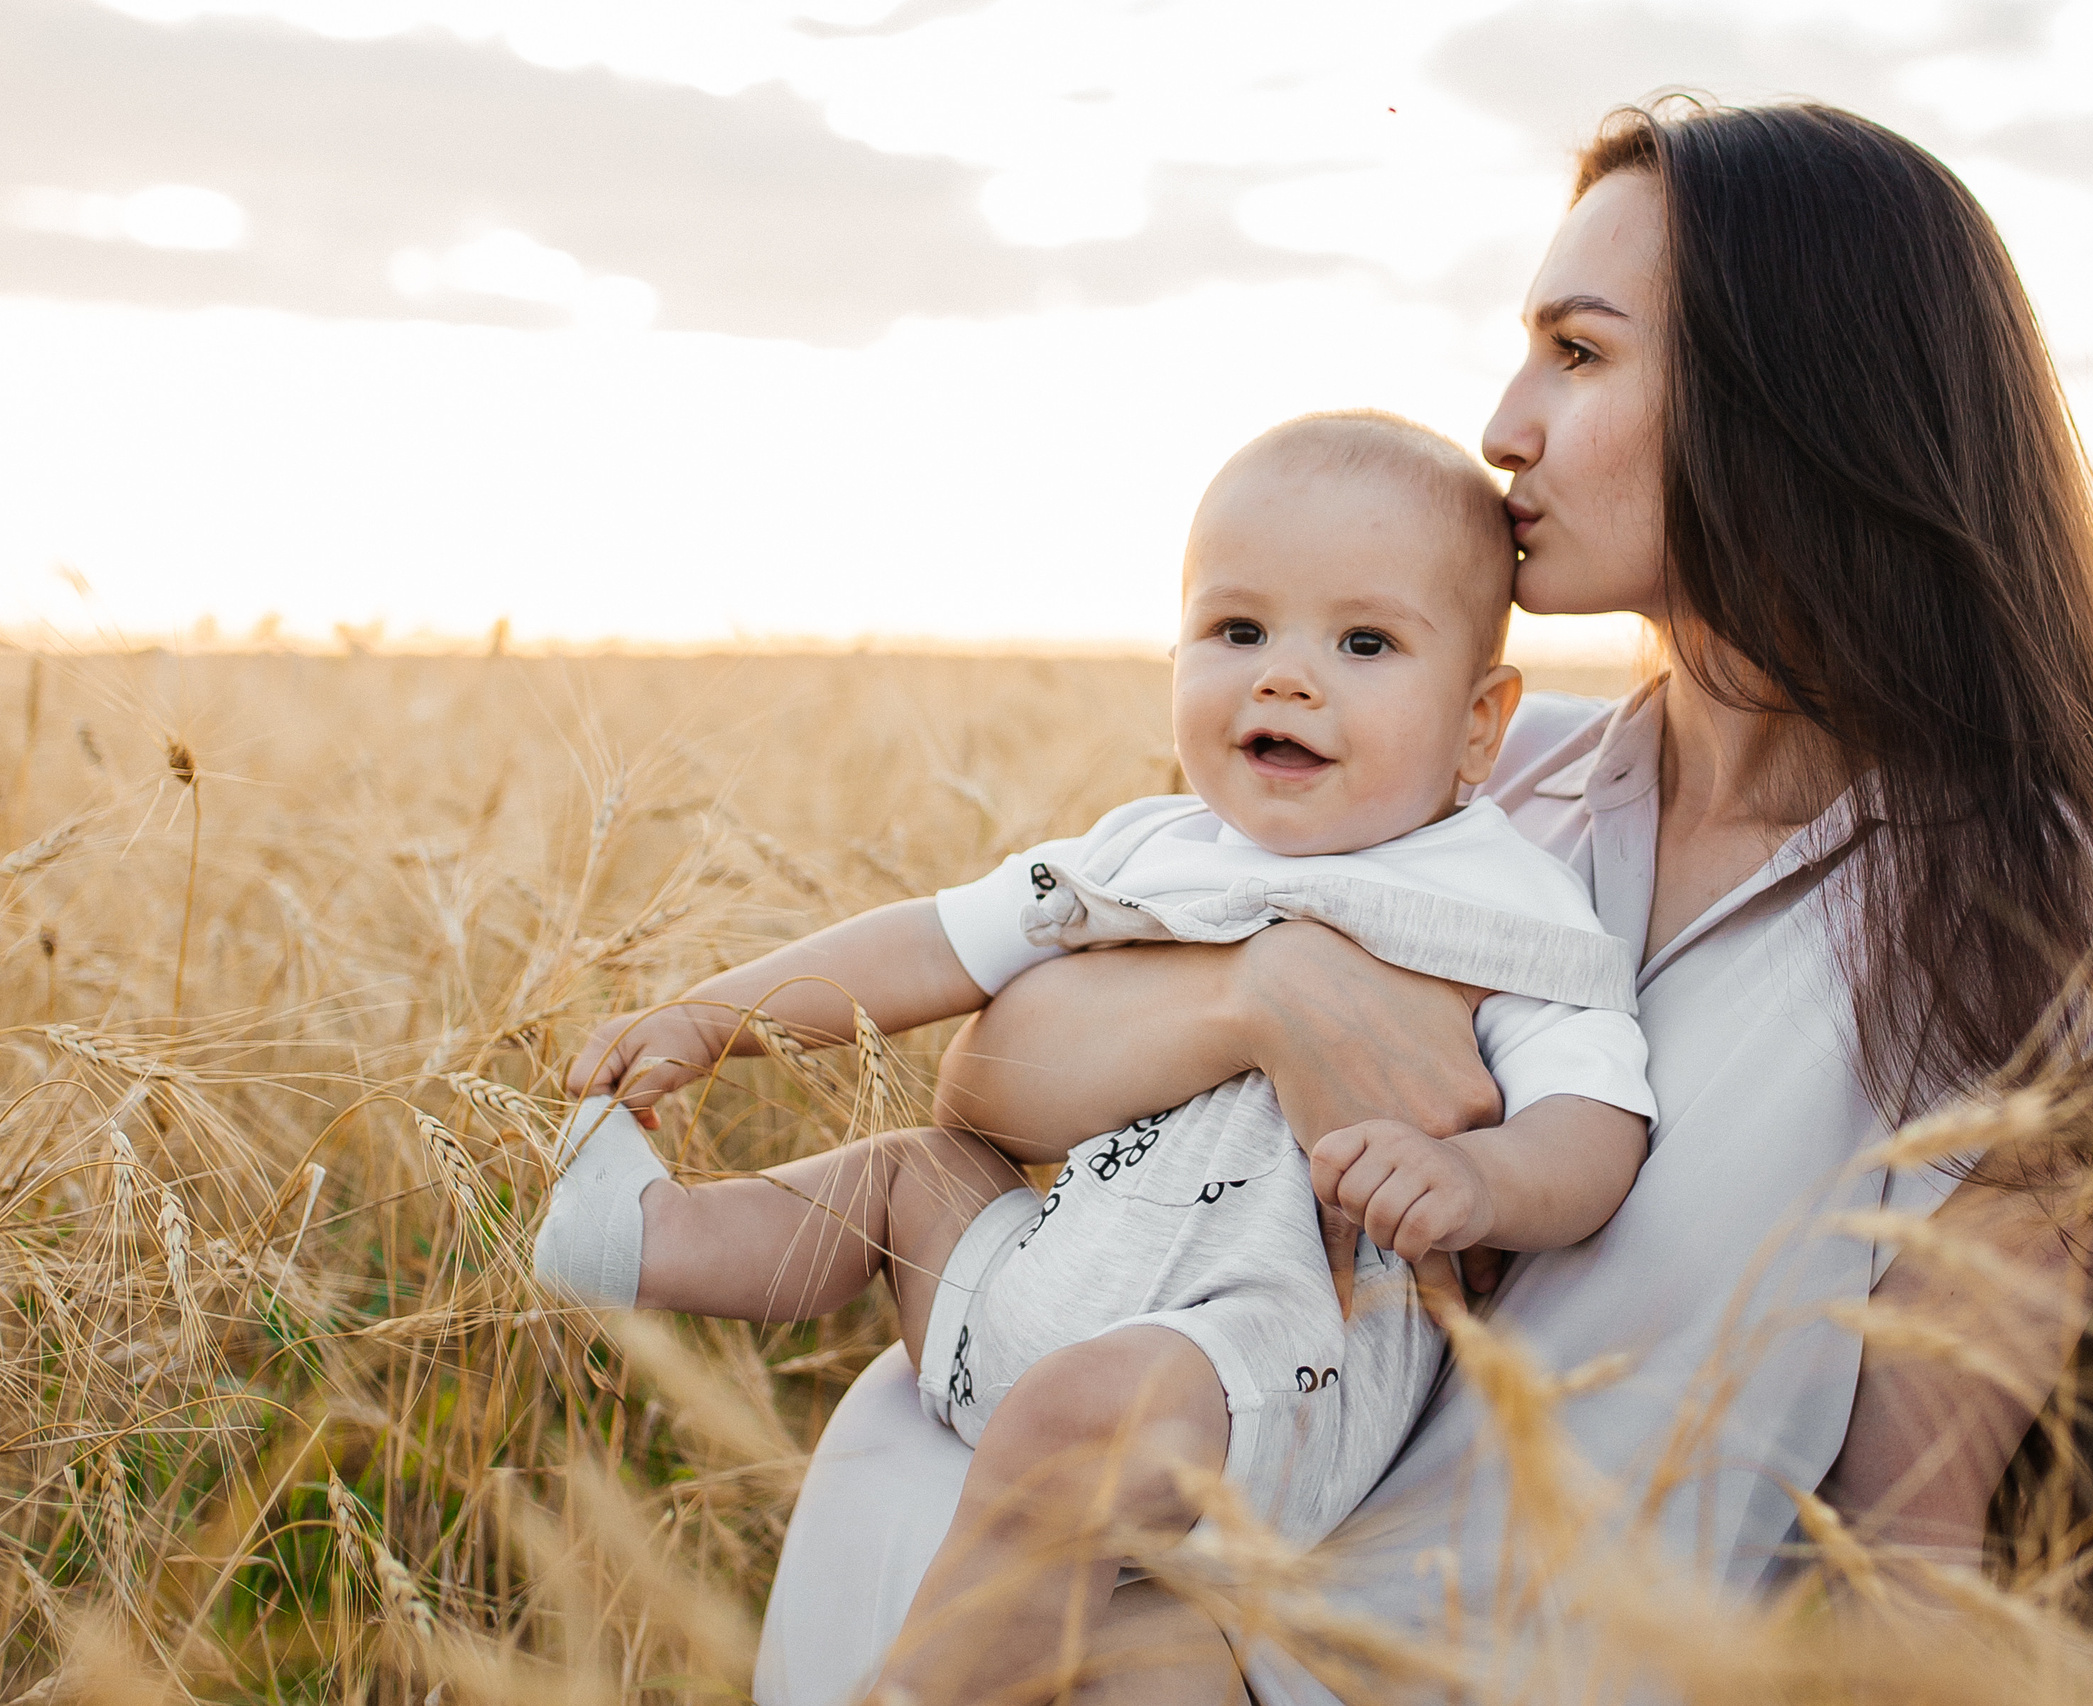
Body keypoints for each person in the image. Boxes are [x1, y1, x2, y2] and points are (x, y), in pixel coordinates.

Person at [752, 98, 2093, 1704]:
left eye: (1578, 350)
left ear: (1792, 389)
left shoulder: (2014, 923)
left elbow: (1912, 1551)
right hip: (1031, 1582)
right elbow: (984, 1086)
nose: (1502, 424)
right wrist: (1256, 996)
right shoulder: (1479, 785)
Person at [545, 411, 1660, 1703]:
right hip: (1034, 1293)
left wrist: (1480, 1183)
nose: (1285, 678)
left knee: (1090, 1402)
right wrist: (710, 1018)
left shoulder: (1497, 900)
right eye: (1238, 631)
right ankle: (644, 1235)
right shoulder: (1147, 848)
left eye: (1362, 643)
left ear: (1480, 727)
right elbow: (933, 945)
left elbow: (1596, 1122)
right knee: (913, 1173)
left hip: (1252, 1378)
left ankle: (928, 1684)